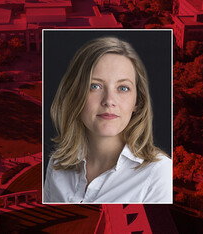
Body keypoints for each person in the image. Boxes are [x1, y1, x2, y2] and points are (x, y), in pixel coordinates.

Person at [44, 36, 172, 203]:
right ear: (75, 95)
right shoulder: (56, 164)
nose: (109, 100)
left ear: (138, 102)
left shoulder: (160, 173)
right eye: (95, 86)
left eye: (123, 88)